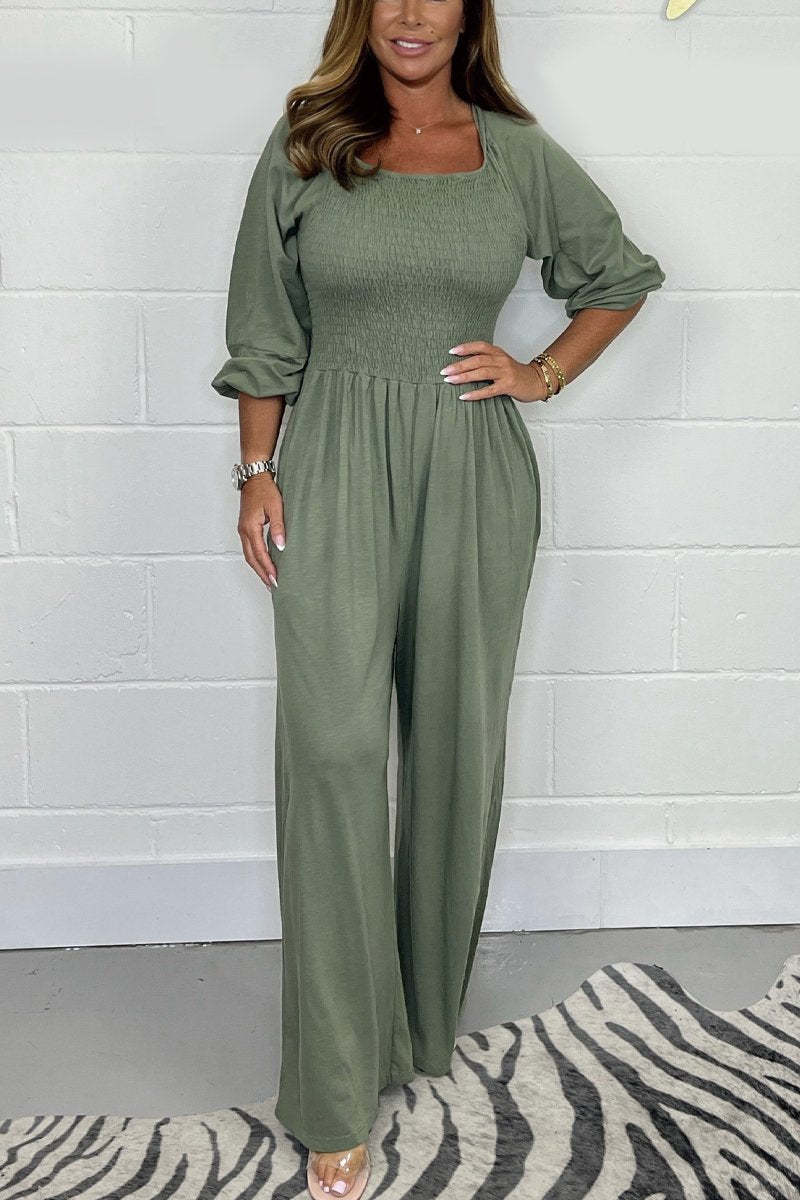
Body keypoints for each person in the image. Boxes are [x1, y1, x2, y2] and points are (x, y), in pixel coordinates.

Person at [211, 1, 666, 1195]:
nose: (411, 12)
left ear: (469, 13)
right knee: (331, 749)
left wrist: (542, 371)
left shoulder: (514, 152)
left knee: (455, 750)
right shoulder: (308, 140)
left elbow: (619, 276)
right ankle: (331, 1085)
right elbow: (264, 322)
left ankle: (415, 1028)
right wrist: (255, 471)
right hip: (329, 466)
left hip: (472, 467)